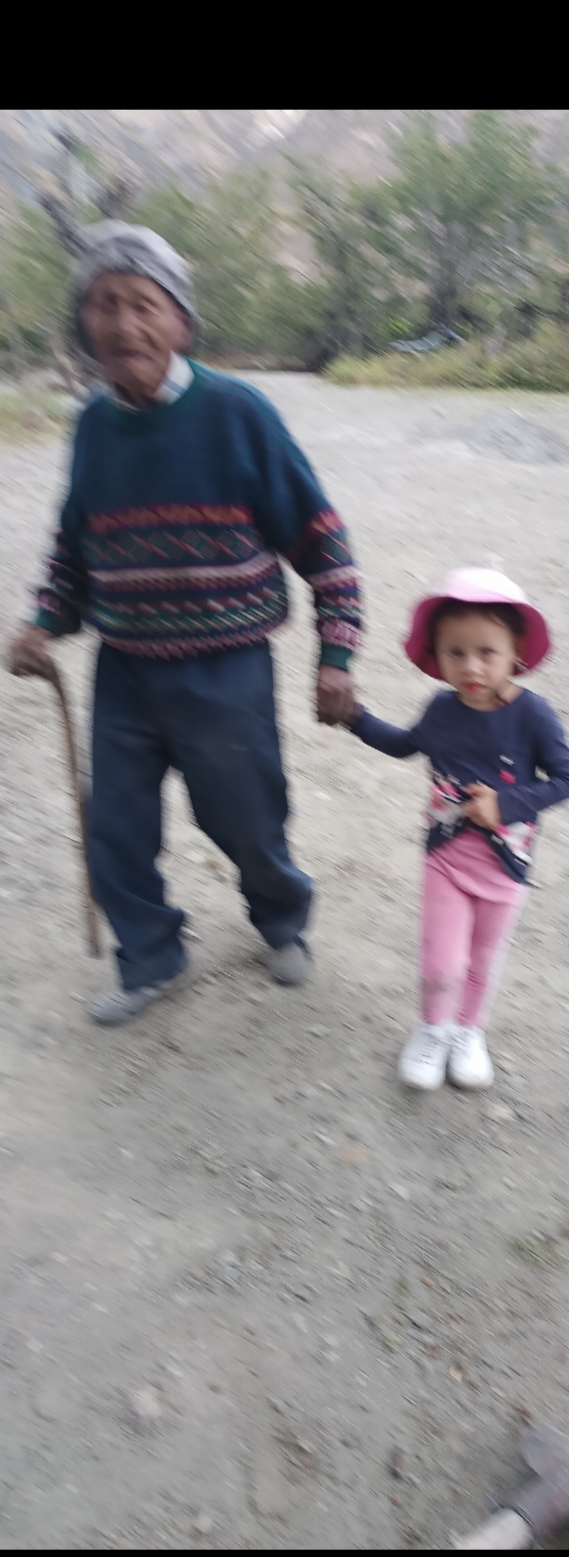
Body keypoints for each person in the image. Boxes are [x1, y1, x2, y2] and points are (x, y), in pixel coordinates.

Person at [7, 223, 362, 1025]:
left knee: (247, 815)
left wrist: (336, 653)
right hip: (125, 668)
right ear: (84, 322)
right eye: (104, 304)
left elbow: (321, 539)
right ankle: (150, 955)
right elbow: (75, 543)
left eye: (144, 304)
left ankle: (281, 919)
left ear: (181, 321)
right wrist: (42, 623)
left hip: (225, 668)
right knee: (117, 824)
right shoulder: (93, 424)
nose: (124, 323)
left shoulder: (237, 413)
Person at [343, 567, 569, 1091]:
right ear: (437, 654)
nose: (471, 666)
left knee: (483, 959)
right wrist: (354, 717)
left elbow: (568, 780)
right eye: (455, 652)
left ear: (516, 650)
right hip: (446, 859)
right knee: (442, 962)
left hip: (507, 867)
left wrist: (506, 803)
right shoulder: (441, 709)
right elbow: (406, 745)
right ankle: (432, 1029)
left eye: (487, 652)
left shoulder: (533, 716)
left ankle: (468, 1032)